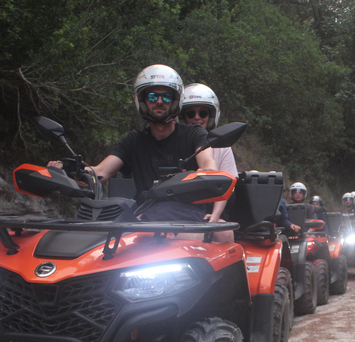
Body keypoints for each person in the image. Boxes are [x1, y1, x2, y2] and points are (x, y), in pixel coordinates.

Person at [47, 64, 230, 241]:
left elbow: (207, 161)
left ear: (175, 100)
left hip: (188, 217)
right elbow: (100, 172)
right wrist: (67, 170)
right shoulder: (133, 140)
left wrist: (207, 171)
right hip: (145, 217)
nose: (159, 101)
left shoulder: (194, 133)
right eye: (152, 96)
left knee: (224, 235)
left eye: (166, 97)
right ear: (142, 100)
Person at [179, 83, 237, 223]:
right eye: (191, 113)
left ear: (211, 116)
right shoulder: (176, 143)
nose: (197, 117)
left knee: (224, 233)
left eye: (203, 113)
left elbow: (226, 186)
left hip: (212, 207)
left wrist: (215, 216)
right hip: (180, 209)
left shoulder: (222, 146)